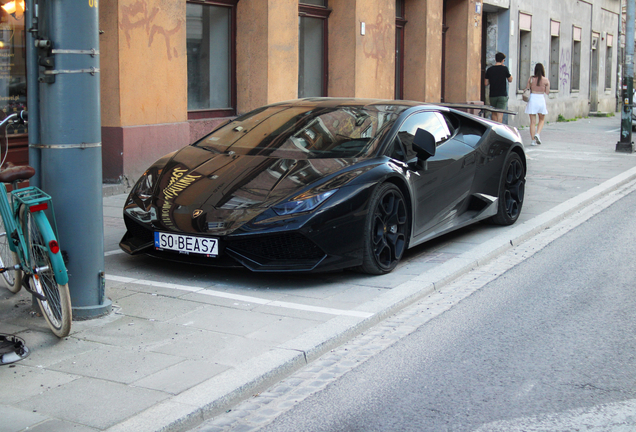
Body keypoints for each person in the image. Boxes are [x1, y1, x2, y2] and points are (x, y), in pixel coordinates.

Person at [525, 63, 550, 146]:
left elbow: (527, 89)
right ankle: (538, 134)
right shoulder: (546, 80)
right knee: (541, 119)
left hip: (532, 98)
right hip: (540, 99)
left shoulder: (531, 79)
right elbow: (547, 92)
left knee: (532, 121)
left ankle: (532, 140)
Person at [484, 52, 513, 123]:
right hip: (502, 95)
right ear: (503, 60)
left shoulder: (489, 69)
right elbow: (510, 80)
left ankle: (494, 129)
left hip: (493, 95)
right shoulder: (504, 69)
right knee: (500, 113)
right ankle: (499, 130)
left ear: (495, 59)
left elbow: (486, 83)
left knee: (494, 113)